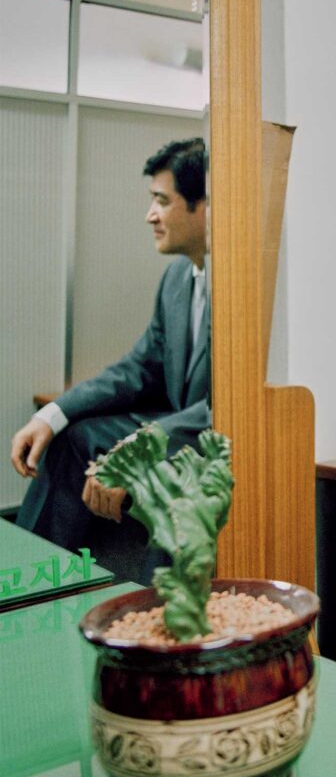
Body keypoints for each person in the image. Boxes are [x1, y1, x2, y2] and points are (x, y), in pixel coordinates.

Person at [10, 137, 210, 572]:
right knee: (71, 437)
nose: (150, 216)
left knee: (166, 478)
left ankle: (147, 622)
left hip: (211, 439)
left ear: (205, 206)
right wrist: (52, 415)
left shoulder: (242, 286)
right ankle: (29, 582)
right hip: (171, 425)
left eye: (162, 201)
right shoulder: (177, 278)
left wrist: (137, 449)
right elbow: (139, 368)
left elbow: (227, 406)